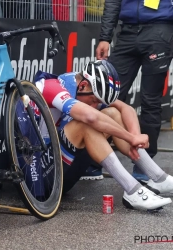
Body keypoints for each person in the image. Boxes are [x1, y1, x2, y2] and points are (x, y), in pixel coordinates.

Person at [33, 60, 173, 211]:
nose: (95, 105)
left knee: (112, 113)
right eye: (94, 100)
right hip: (39, 178)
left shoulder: (84, 86)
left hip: (62, 170)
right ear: (83, 86)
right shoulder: (52, 86)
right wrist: (130, 137)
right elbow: (91, 117)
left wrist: (135, 137)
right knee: (86, 123)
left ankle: (159, 178)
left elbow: (126, 109)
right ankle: (132, 190)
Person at [95, 0, 173, 183]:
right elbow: (113, 2)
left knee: (150, 101)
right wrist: (105, 37)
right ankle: (93, 160)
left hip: (159, 31)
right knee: (106, 96)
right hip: (127, 32)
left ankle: (144, 166)